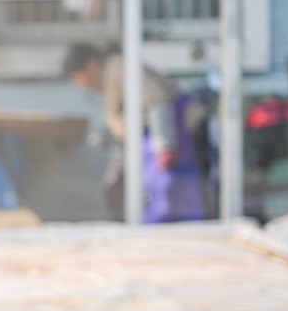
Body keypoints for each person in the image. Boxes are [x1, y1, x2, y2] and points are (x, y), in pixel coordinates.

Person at [63, 42, 208, 222]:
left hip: (174, 135)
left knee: (172, 195)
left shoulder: (118, 68)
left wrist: (165, 146)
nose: (82, 86)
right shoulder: (109, 76)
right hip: (159, 140)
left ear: (90, 66)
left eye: (79, 78)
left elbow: (157, 98)